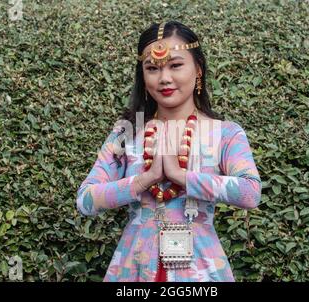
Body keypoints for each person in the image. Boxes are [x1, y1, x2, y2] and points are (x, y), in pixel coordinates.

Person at [76, 21, 262, 282]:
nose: (164, 78)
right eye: (152, 68)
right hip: (134, 270)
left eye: (176, 65)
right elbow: (85, 200)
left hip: (202, 274)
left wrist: (181, 176)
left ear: (198, 69)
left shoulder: (225, 133)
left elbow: (250, 192)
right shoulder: (127, 133)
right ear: (143, 75)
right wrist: (146, 179)